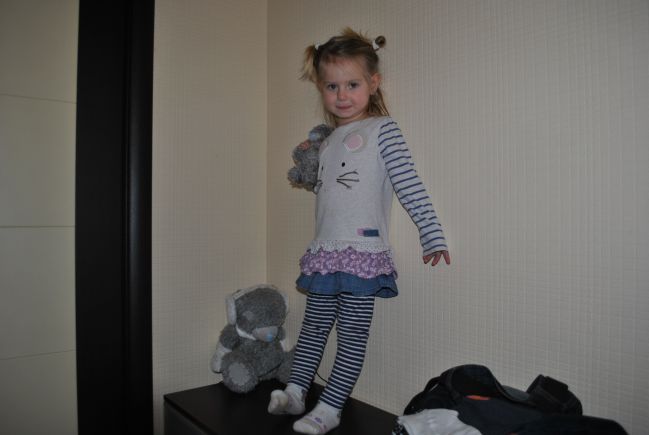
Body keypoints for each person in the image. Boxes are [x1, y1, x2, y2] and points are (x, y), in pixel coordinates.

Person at [268, 28, 451, 434]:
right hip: (325, 250)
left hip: (362, 253)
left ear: (373, 83)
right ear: (321, 89)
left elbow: (408, 183)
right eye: (332, 86)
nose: (342, 95)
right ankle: (296, 390)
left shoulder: (383, 130)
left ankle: (331, 407)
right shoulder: (328, 140)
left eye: (352, 84)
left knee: (351, 333)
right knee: (313, 326)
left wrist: (431, 232)